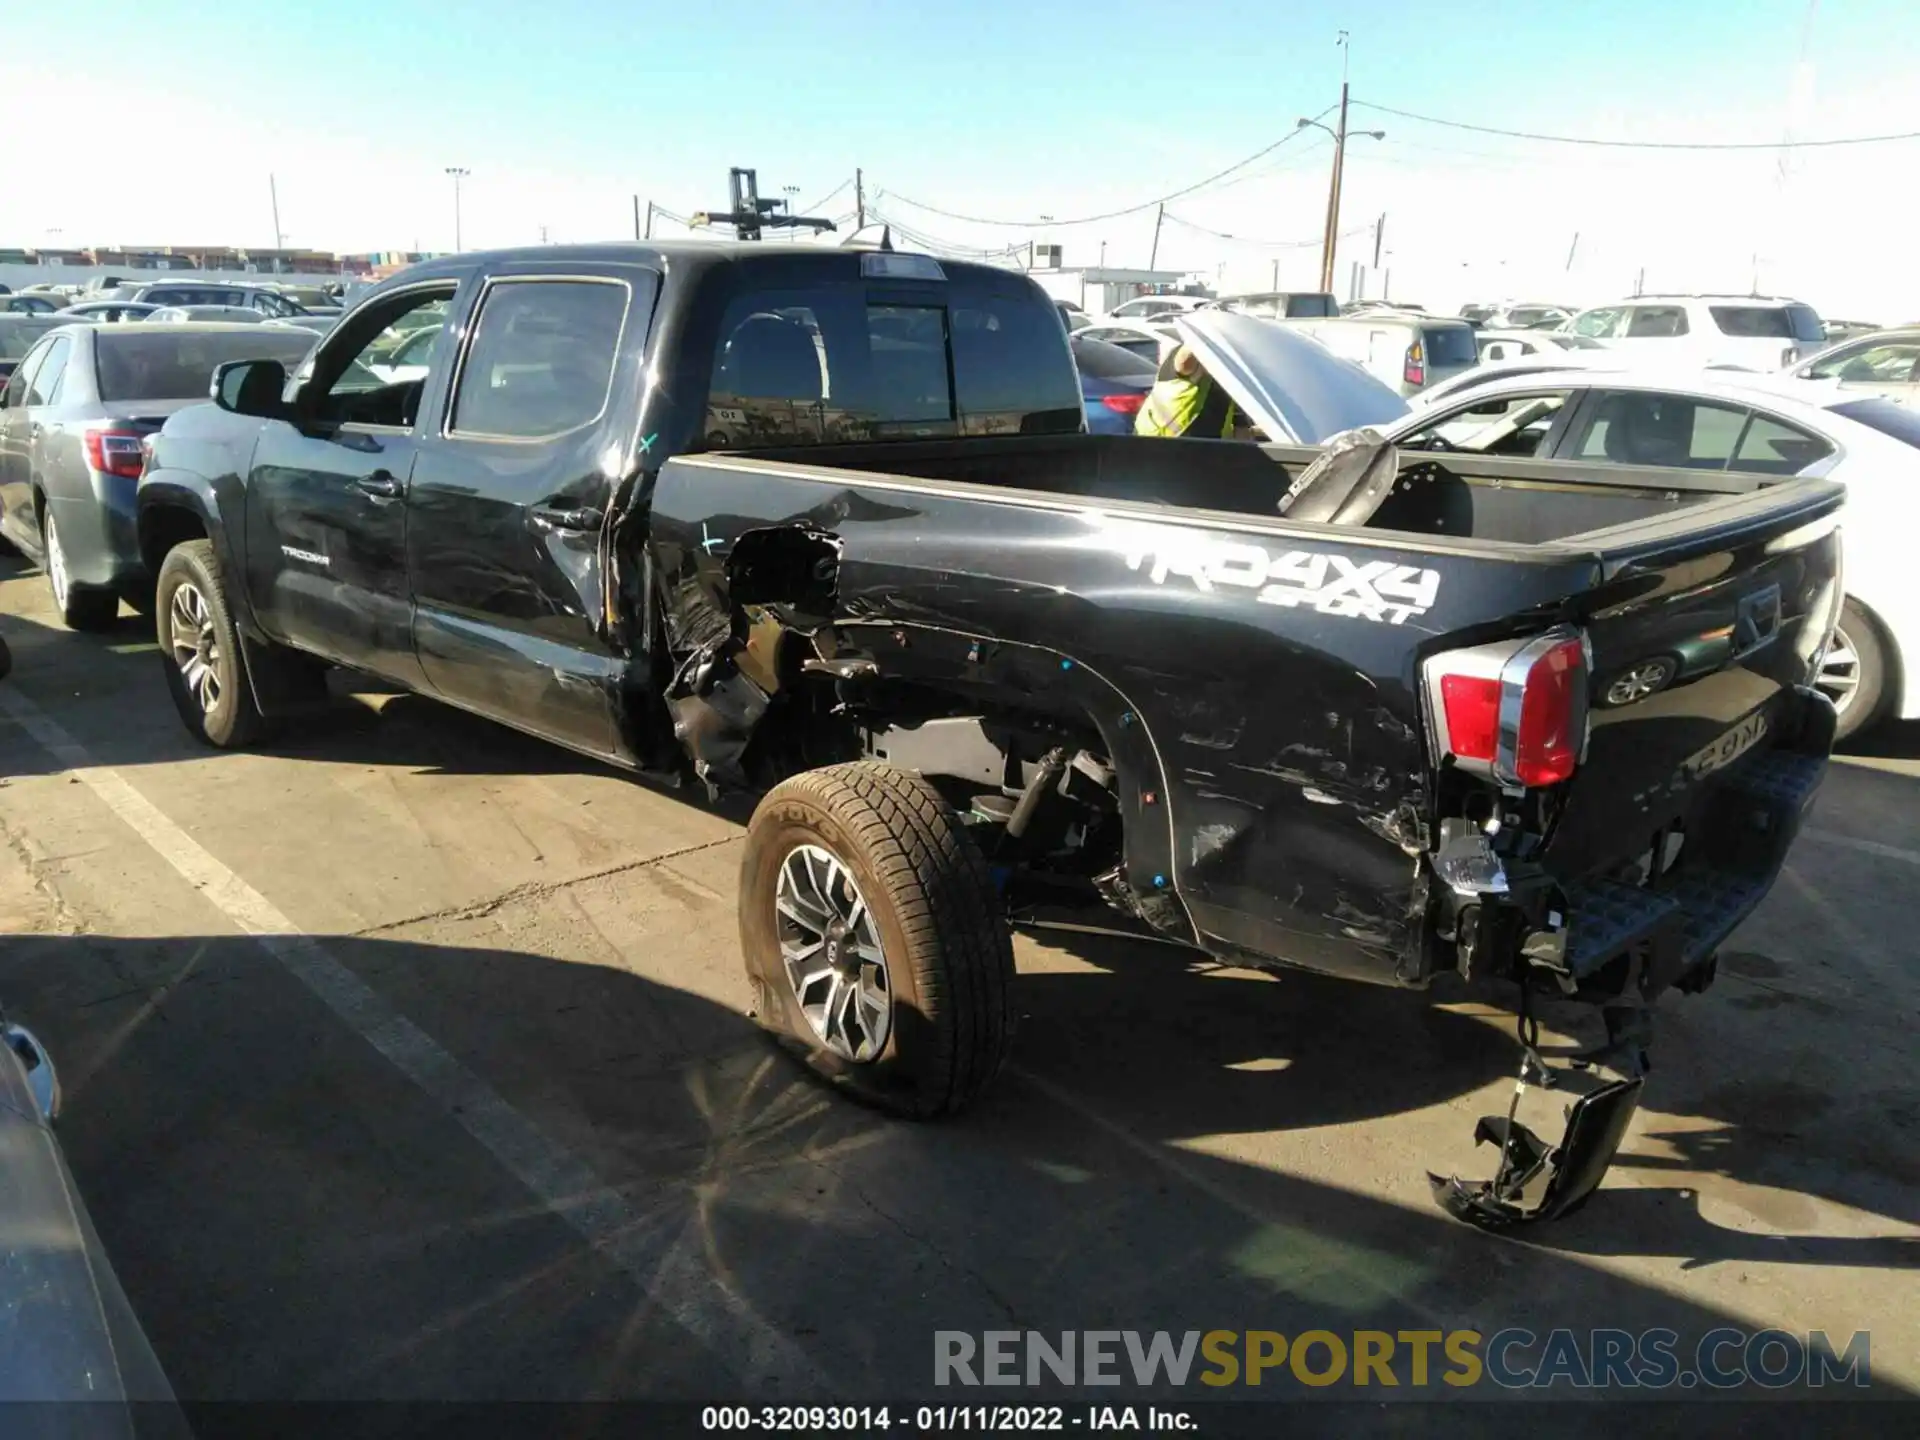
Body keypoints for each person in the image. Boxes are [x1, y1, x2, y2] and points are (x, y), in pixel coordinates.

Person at [1135, 343, 1237, 439]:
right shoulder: (1184, 367)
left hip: (1209, 448)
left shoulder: (1228, 380)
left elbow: (1240, 427)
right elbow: (1184, 362)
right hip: (1160, 444)